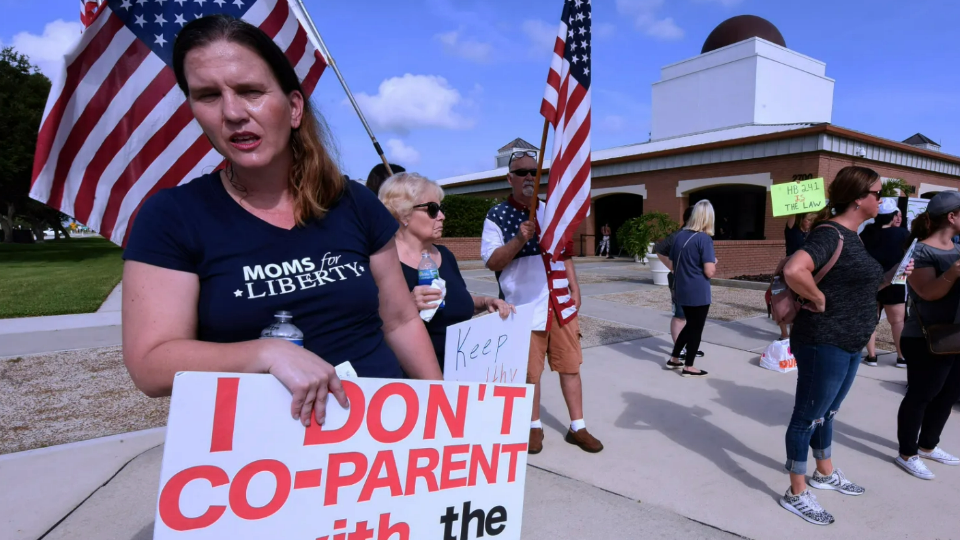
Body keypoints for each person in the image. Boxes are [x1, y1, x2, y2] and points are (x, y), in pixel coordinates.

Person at [121, 15, 442, 429]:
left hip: (380, 441)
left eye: (250, 91)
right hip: (264, 462)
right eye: (208, 95)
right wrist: (266, 353)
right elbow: (151, 365)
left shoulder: (353, 201)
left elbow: (400, 320)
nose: (233, 112)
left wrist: (442, 412)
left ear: (293, 108)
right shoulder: (172, 216)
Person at [779, 166, 913, 525]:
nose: (881, 200)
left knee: (828, 412)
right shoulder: (829, 233)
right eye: (876, 193)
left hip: (850, 342)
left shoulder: (854, 235)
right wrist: (818, 300)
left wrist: (894, 274)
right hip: (824, 341)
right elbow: (795, 269)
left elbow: (858, 284)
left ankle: (824, 472)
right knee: (806, 416)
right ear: (858, 198)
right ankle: (796, 492)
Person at [481, 150, 603, 454]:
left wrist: (575, 287)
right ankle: (533, 426)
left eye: (535, 172)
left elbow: (564, 254)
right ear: (509, 178)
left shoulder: (552, 211)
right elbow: (493, 262)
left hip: (559, 304)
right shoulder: (497, 215)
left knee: (570, 367)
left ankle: (578, 426)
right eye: (521, 172)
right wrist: (520, 239)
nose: (529, 178)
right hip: (523, 308)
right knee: (529, 374)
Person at [379, 172, 513, 371]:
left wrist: (485, 302)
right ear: (403, 213)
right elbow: (366, 326)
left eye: (441, 209)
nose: (442, 216)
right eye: (433, 209)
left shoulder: (445, 255)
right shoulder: (382, 261)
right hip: (413, 381)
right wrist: (406, 306)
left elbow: (454, 301)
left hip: (462, 373)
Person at [893, 191, 960, 480]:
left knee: (948, 394)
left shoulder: (957, 247)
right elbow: (928, 292)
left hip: (955, 334)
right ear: (952, 216)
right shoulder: (921, 251)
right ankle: (907, 453)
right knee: (922, 395)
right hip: (926, 337)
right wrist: (954, 271)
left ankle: (929, 445)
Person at [665, 200, 716, 378]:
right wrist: (713, 265)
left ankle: (674, 358)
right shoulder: (704, 239)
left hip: (682, 288)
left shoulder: (679, 236)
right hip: (698, 290)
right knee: (696, 329)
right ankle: (689, 365)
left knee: (689, 326)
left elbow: (671, 264)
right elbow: (709, 271)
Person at [860, 200, 910, 367]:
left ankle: (872, 356)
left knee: (870, 319)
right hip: (895, 280)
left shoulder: (866, 233)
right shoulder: (902, 234)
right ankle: (902, 357)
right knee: (897, 321)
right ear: (893, 216)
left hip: (870, 280)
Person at [654, 206, 703, 359]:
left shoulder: (699, 236)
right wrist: (672, 267)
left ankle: (689, 346)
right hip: (680, 281)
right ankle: (679, 348)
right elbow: (660, 248)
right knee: (680, 314)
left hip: (696, 281)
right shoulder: (678, 236)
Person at [778, 212, 818, 338]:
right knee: (782, 300)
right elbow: (791, 214)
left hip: (804, 271)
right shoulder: (792, 229)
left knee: (798, 303)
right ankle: (784, 334)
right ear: (801, 219)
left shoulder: (810, 234)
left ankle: (794, 332)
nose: (810, 223)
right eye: (808, 220)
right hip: (789, 268)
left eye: (812, 221)